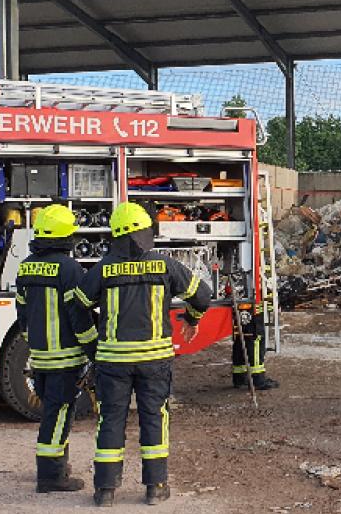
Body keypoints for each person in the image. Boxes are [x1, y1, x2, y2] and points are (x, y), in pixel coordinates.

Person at [73, 202, 212, 507]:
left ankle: (106, 491)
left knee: (110, 420)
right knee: (154, 418)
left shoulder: (103, 268)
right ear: (145, 232)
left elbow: (77, 305)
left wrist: (92, 345)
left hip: (112, 362)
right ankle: (156, 487)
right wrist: (192, 319)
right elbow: (202, 295)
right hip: (154, 361)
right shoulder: (165, 265)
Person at [15, 204, 95, 493]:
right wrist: (93, 348)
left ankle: (59, 463)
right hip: (65, 358)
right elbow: (79, 315)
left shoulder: (25, 265)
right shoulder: (70, 269)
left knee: (53, 410)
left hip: (39, 356)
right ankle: (50, 476)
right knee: (59, 413)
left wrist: (33, 343)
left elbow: (21, 313)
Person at [232, 309, 279, 390]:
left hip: (241, 309)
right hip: (254, 308)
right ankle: (258, 380)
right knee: (256, 340)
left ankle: (240, 378)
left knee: (240, 339)